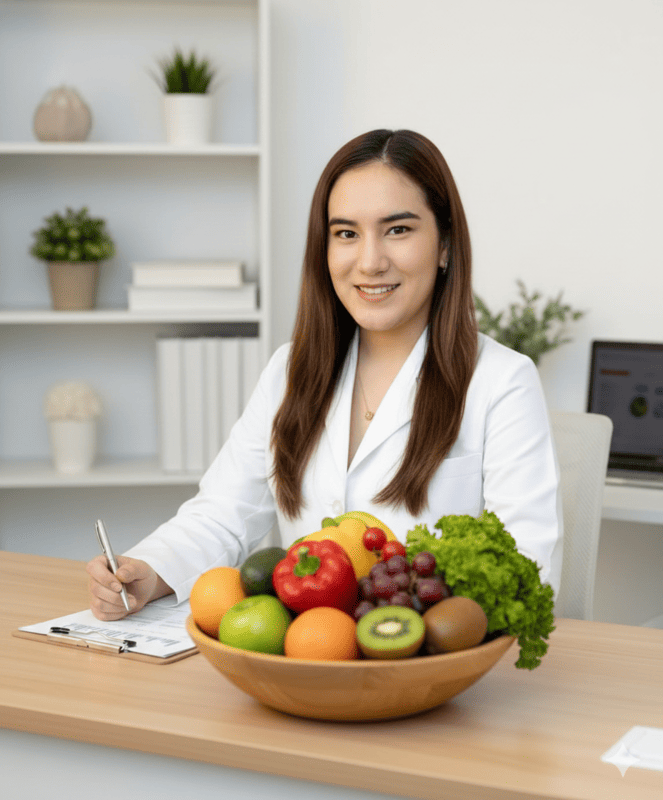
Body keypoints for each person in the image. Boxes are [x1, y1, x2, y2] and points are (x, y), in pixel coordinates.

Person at [87, 129, 563, 621]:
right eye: (346, 234)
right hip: (307, 661)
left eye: (398, 230)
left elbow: (526, 564)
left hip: (423, 664)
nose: (370, 261)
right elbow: (224, 514)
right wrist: (147, 570)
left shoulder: (502, 381)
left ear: (444, 245)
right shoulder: (290, 371)